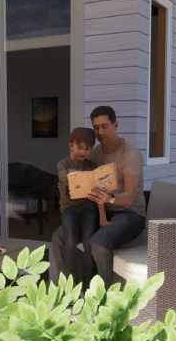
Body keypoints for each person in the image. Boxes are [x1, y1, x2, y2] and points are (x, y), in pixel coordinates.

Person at [52, 106, 147, 286]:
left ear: (115, 125)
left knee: (98, 242)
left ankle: (104, 295)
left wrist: (109, 198)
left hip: (130, 214)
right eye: (96, 128)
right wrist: (67, 183)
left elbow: (130, 196)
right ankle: (67, 288)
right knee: (59, 237)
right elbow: (85, 179)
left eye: (104, 126)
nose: (100, 132)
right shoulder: (94, 153)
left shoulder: (131, 154)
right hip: (99, 210)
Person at [55, 127, 108, 285]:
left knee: (88, 241)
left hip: (87, 208)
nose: (83, 152)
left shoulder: (90, 166)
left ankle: (87, 280)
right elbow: (65, 179)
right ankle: (71, 281)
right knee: (70, 241)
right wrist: (84, 181)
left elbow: (98, 188)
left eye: (87, 149)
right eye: (79, 148)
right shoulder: (63, 164)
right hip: (69, 209)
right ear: (71, 145)